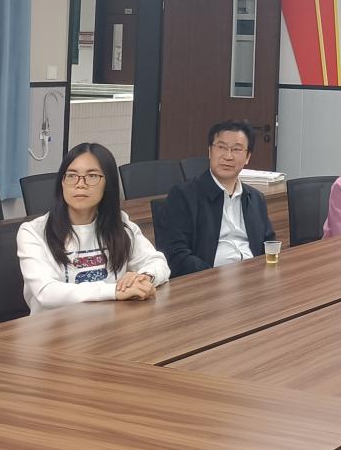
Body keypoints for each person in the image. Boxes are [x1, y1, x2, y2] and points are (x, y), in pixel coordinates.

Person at [17, 142, 169, 314]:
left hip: (108, 324)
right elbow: (46, 293)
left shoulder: (120, 224)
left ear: (108, 184)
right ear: (62, 182)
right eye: (72, 175)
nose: (80, 184)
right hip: (53, 327)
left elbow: (158, 262)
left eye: (92, 176)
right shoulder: (33, 232)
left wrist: (143, 278)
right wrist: (114, 291)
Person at [157, 120, 276, 278]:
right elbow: (176, 255)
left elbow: (269, 244)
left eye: (236, 149)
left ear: (248, 157)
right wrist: (213, 277)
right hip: (206, 281)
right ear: (209, 151)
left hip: (253, 279)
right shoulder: (183, 196)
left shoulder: (255, 198)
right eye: (221, 147)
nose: (228, 156)